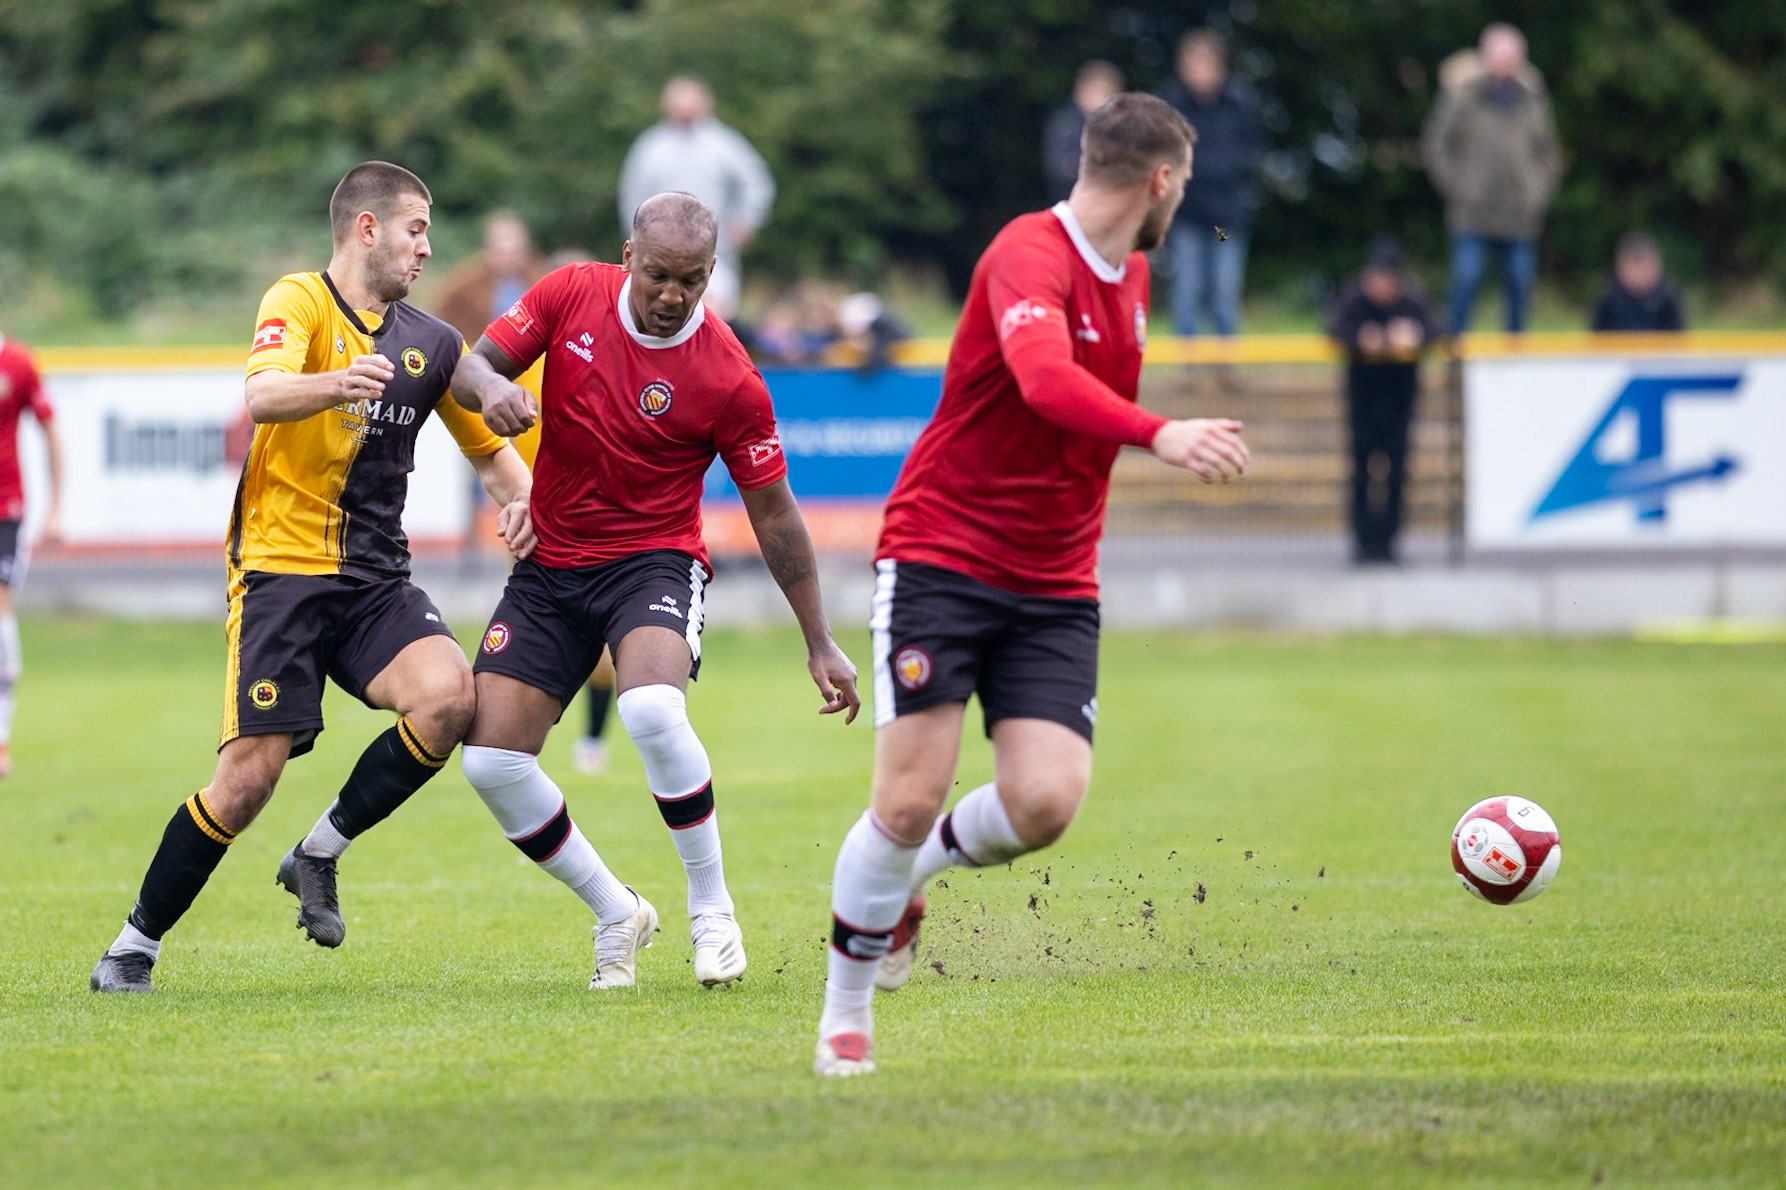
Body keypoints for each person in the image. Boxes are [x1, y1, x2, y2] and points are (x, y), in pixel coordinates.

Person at [811, 94, 1251, 1076]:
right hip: (943, 555)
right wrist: (1162, 432)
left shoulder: (1133, 273)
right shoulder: (1027, 252)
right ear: (1161, 181)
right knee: (907, 798)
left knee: (1046, 800)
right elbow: (1046, 381)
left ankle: (906, 883)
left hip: (1054, 577)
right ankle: (846, 1014)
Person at [89, 162, 536, 993]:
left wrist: (527, 508)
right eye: (415, 230)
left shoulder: (432, 344)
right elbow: (262, 397)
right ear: (366, 229)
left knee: (449, 701)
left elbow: (499, 464)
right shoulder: (296, 300)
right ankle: (132, 946)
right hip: (280, 576)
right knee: (249, 778)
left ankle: (318, 853)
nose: (427, 249)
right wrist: (338, 382)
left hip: (375, 583)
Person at [450, 191, 860, 992]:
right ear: (629, 255)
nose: (674, 296)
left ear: (713, 275)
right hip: (551, 564)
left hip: (653, 562)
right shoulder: (570, 294)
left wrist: (819, 639)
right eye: (661, 276)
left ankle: (713, 914)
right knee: (492, 763)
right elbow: (470, 367)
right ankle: (616, 910)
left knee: (648, 709)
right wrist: (491, 391)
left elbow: (774, 514)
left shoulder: (730, 376)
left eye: (694, 281)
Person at [1422, 23, 1562, 335]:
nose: (1506, 66)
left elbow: (1548, 151)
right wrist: (1457, 187)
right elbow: (1435, 145)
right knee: (1465, 282)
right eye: (1500, 58)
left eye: (1511, 59)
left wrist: (1537, 190)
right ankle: (1454, 357)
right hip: (1472, 213)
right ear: (1485, 58)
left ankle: (1513, 363)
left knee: (1520, 289)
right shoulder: (1462, 97)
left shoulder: (1533, 100)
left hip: (1520, 216)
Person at [618, 78, 775, 319]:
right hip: (658, 254)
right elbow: (631, 197)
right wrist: (637, 238)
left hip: (715, 250)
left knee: (713, 317)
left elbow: (757, 183)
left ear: (705, 103)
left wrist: (747, 221)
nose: (685, 109)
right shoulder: (650, 148)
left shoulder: (724, 144)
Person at [1327, 238, 1439, 565]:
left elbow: (1438, 331)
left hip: (1400, 405)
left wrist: (1414, 334)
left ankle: (1389, 544)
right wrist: (1362, 338)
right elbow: (1334, 331)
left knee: (1396, 475)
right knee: (1361, 473)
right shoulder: (1354, 300)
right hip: (1363, 405)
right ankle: (1362, 544)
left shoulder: (1412, 302)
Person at [1159, 29, 1263, 342]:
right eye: (1195, 63)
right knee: (1187, 286)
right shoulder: (1171, 105)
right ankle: (1187, 362)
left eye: (1208, 63)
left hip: (1224, 221)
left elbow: (1255, 152)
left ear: (1220, 66)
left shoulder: (1240, 104)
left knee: (1224, 285)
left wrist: (1217, 169)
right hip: (1185, 216)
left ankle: (1225, 360)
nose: (1201, 71)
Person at [0, 311, 64, 778]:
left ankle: (1, 740)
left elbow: (51, 433)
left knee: (1, 615)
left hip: (5, 510)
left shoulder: (18, 363)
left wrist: (56, 508)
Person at [1043, 60, 1124, 204]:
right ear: (1080, 92)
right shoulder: (1065, 126)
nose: (1104, 100)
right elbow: (1060, 169)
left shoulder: (1122, 127)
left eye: (1108, 93)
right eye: (1098, 91)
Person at [1591, 233, 1686, 332]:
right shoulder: (1607, 299)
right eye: (1633, 269)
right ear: (1619, 268)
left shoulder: (1668, 297)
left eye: (1645, 269)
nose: (1639, 275)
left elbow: (1678, 339)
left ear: (1657, 267)